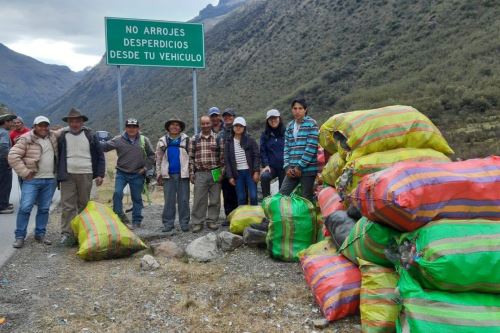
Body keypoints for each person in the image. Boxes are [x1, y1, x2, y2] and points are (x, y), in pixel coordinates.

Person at [57, 108, 105, 246]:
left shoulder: (91, 135)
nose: (75, 124)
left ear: (82, 121)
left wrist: (100, 174)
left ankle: (84, 232)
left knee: (84, 204)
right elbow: (57, 154)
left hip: (86, 173)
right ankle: (67, 234)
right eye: (72, 121)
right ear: (68, 122)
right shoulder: (62, 136)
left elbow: (100, 155)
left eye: (77, 121)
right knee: (67, 205)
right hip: (67, 174)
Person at [8, 116, 58, 248]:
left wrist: (83, 127)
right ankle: (20, 237)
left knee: (44, 208)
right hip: (32, 180)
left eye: (45, 125)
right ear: (34, 126)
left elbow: (65, 129)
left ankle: (40, 234)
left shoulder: (52, 136)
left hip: (49, 180)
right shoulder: (26, 139)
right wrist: (24, 172)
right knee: (25, 208)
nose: (43, 128)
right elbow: (12, 156)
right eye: (40, 125)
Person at [101, 118, 155, 229]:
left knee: (136, 198)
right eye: (129, 127)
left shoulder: (144, 140)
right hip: (122, 172)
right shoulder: (118, 139)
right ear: (125, 128)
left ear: (138, 128)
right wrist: (93, 142)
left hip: (138, 173)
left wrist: (145, 168)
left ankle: (137, 221)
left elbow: (152, 156)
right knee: (117, 193)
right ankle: (119, 216)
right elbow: (104, 147)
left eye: (134, 127)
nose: (131, 129)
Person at [189, 115, 224, 233]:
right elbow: (191, 158)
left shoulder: (218, 138)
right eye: (203, 123)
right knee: (199, 199)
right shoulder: (194, 139)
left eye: (207, 123)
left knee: (215, 198)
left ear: (211, 124)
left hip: (215, 171)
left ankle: (212, 220)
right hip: (200, 172)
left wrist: (222, 172)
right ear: (200, 125)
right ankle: (197, 222)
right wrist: (191, 173)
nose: (205, 126)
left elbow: (222, 157)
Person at [280, 98, 319, 202]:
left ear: (305, 110)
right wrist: (287, 167)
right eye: (295, 108)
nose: (297, 111)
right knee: (282, 194)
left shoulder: (312, 124)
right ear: (292, 110)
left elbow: (311, 147)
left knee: (306, 199)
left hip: (307, 169)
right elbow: (286, 148)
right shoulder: (289, 126)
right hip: (291, 169)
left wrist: (300, 166)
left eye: (300, 108)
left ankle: (310, 218)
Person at [156, 118, 190, 234]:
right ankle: (168, 223)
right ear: (168, 127)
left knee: (184, 200)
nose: (175, 127)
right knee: (169, 200)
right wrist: (158, 174)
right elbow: (158, 159)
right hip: (168, 175)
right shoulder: (162, 141)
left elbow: (191, 157)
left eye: (177, 125)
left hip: (183, 174)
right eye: (172, 125)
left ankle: (184, 223)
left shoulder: (186, 140)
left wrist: (191, 172)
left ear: (180, 128)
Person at [225, 117, 260, 205]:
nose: (238, 127)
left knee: (253, 196)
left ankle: (255, 216)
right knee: (241, 197)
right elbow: (227, 161)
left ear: (244, 128)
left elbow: (256, 156)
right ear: (233, 127)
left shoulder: (250, 140)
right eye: (236, 125)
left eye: (241, 126)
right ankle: (243, 217)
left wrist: (256, 171)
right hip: (237, 174)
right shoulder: (229, 143)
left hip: (250, 172)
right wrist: (230, 176)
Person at [218, 108, 238, 225]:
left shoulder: (240, 131)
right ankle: (228, 217)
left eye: (230, 116)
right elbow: (216, 152)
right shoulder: (219, 135)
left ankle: (239, 216)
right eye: (225, 116)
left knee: (239, 193)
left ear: (234, 117)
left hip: (238, 168)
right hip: (224, 170)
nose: (227, 118)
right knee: (227, 194)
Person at [259, 109, 285, 198]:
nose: (273, 120)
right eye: (270, 119)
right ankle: (266, 199)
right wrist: (266, 165)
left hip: (284, 167)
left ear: (279, 118)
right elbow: (263, 151)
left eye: (275, 118)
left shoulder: (286, 132)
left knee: (283, 192)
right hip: (271, 167)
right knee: (264, 177)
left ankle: (282, 207)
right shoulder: (265, 135)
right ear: (267, 121)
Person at [0, 113, 16, 214]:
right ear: (5, 122)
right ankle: (2, 206)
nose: (12, 123)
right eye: (10, 121)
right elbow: (3, 146)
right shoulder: (4, 133)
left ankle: (4, 202)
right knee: (5, 183)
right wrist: (8, 160)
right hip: (2, 162)